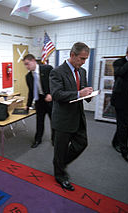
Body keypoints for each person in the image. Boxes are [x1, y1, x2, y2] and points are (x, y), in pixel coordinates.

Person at [49, 42, 93, 191]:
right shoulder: (57, 72)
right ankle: (60, 175)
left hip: (78, 115)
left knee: (82, 143)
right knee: (60, 149)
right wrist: (79, 93)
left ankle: (59, 163)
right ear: (72, 55)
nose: (83, 62)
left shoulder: (82, 71)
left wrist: (89, 93)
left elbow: (82, 91)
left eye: (86, 59)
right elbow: (56, 94)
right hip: (63, 118)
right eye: (81, 58)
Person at [23, 54, 54, 148]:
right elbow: (31, 91)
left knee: (54, 121)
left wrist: (51, 94)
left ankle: (55, 139)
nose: (26, 67)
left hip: (49, 99)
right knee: (39, 122)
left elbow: (56, 83)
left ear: (33, 61)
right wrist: (27, 105)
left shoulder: (47, 68)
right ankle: (38, 139)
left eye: (27, 64)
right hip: (39, 101)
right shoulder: (28, 76)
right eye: (25, 65)